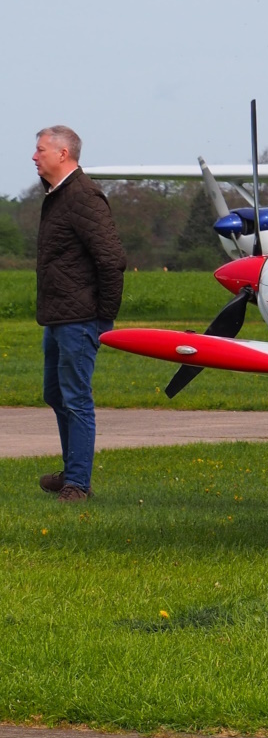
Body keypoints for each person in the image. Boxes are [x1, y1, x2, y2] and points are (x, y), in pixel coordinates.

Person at [32, 125, 126, 502]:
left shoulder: (84, 196)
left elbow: (112, 260)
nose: (34, 156)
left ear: (63, 154)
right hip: (56, 318)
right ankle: (72, 471)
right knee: (55, 394)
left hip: (80, 319)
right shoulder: (58, 195)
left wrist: (103, 317)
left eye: (40, 150)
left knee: (76, 398)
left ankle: (77, 485)